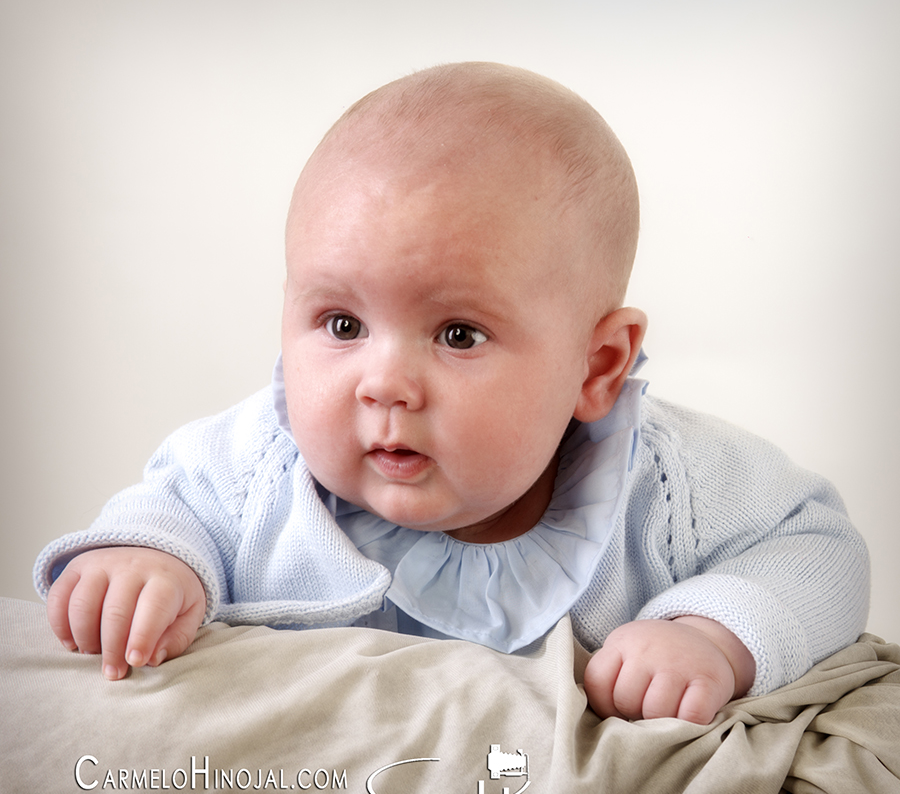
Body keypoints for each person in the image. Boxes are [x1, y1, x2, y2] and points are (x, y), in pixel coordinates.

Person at [33, 62, 869, 725]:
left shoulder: (672, 487)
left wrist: (712, 635)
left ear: (596, 367)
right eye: (341, 324)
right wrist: (146, 563)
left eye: (459, 334)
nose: (384, 383)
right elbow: (170, 505)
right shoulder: (255, 464)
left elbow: (818, 546)